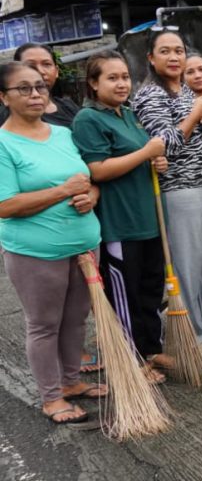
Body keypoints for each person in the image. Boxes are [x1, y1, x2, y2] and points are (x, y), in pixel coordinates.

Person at [0, 61, 105, 424]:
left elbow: (87, 180)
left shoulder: (62, 134)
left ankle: (71, 382)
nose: (34, 94)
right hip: (36, 253)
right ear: (4, 97)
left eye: (40, 87)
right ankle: (51, 398)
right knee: (44, 324)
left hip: (83, 245)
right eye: (23, 88)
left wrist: (90, 195)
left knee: (76, 320)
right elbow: (5, 206)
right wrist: (62, 191)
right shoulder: (3, 143)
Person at [71, 51, 172, 383]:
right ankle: (130, 359)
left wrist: (155, 162)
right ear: (93, 83)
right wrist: (145, 153)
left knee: (149, 289)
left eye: (125, 77)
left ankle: (150, 348)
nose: (121, 83)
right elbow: (96, 170)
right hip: (119, 225)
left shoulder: (127, 114)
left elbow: (142, 157)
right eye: (112, 78)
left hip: (148, 220)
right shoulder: (89, 119)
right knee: (124, 296)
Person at [133, 30, 202, 351]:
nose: (174, 57)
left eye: (179, 51)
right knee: (187, 263)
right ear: (151, 58)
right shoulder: (150, 95)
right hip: (178, 190)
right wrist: (196, 115)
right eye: (165, 51)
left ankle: (200, 325)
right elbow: (161, 145)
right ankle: (194, 335)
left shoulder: (184, 90)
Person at [6, 43, 81, 128]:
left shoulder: (69, 106)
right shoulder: (8, 115)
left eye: (46, 64)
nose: (41, 71)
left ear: (56, 71)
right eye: (31, 65)